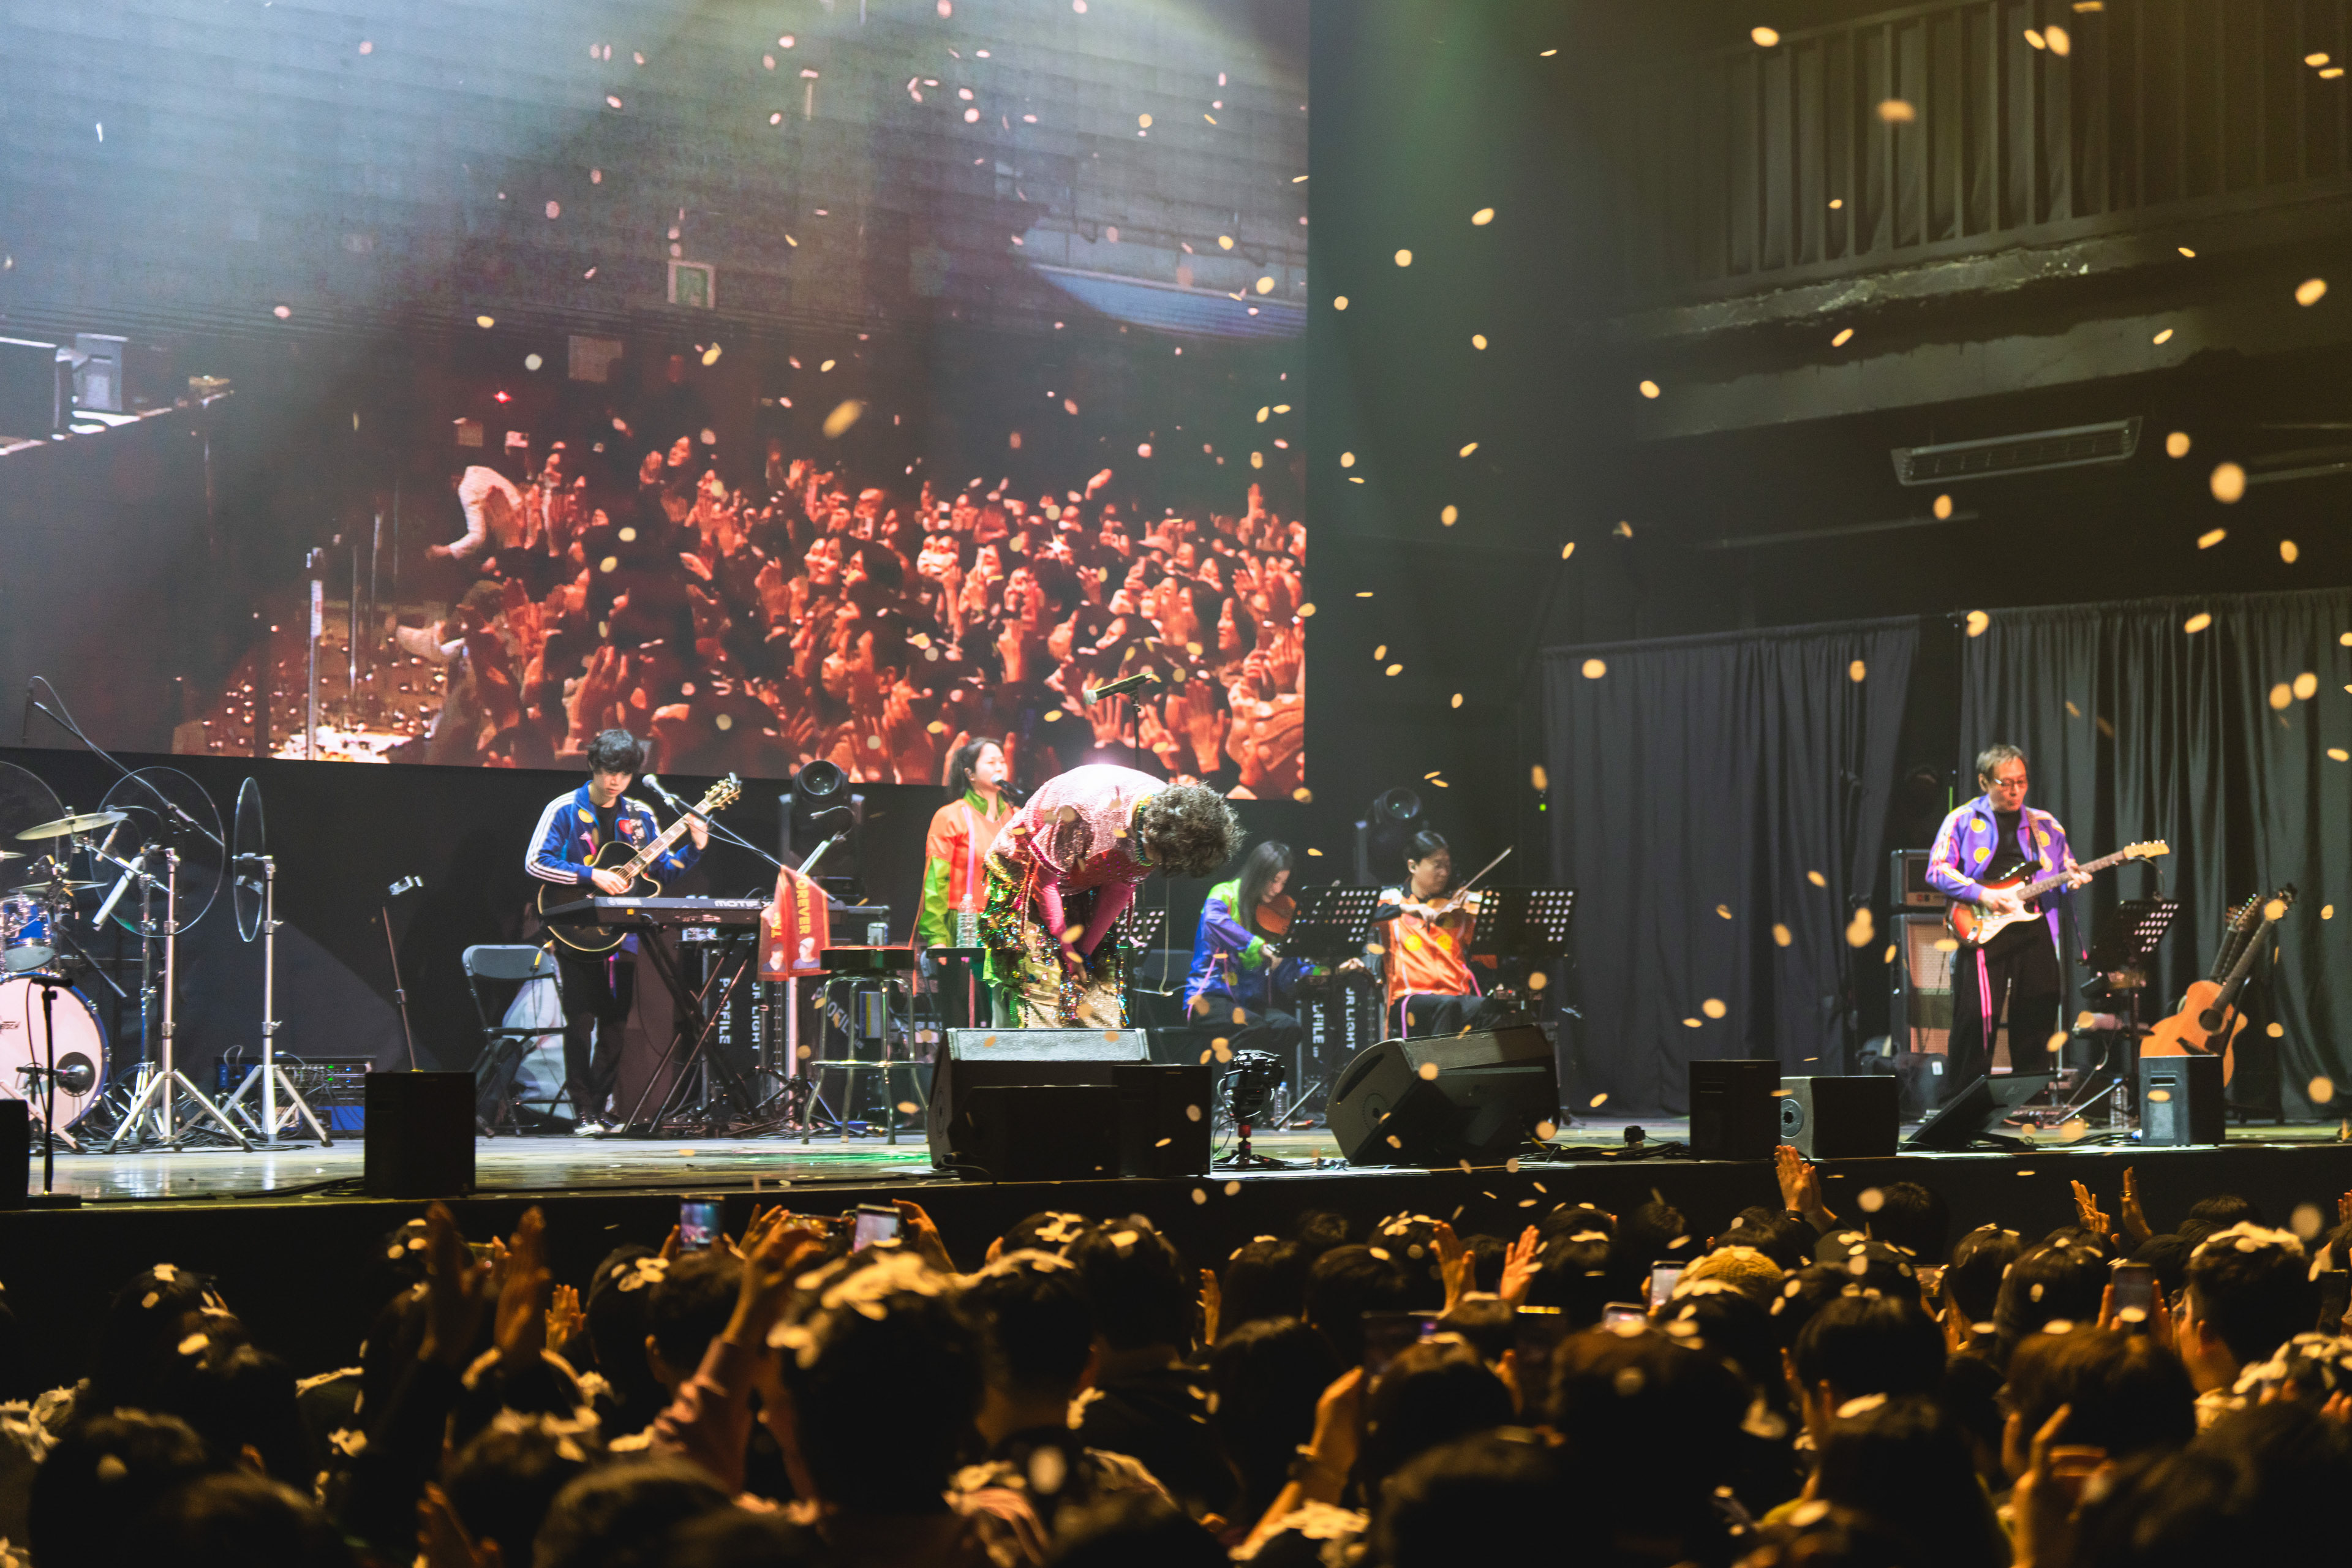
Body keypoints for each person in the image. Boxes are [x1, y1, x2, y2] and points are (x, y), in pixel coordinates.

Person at [526, 728, 707, 1133]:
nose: (615, 781)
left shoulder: (640, 816)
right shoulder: (564, 809)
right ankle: (582, 1109)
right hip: (574, 929)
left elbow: (661, 872)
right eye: (609, 771)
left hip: (623, 932)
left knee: (616, 1023)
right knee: (580, 1021)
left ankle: (599, 1107)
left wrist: (695, 846)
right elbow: (536, 862)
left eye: (624, 774)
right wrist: (592, 875)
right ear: (593, 765)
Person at [980, 763, 1243, 1027]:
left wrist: (1083, 954)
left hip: (1086, 881)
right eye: (1160, 857)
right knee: (1042, 993)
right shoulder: (1085, 810)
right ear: (1150, 833)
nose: (1159, 864)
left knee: (1100, 1003)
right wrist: (1068, 953)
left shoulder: (1169, 824)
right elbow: (1044, 882)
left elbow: (1120, 888)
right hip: (1026, 877)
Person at [1926, 744, 2091, 1090]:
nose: (2015, 790)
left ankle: (2030, 1098)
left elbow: (2064, 869)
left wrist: (2072, 880)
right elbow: (1937, 870)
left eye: (2021, 782)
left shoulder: (2045, 824)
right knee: (1977, 1017)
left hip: (2034, 924)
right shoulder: (1961, 819)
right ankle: (1967, 1098)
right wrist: (1983, 894)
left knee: (2039, 1010)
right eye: (2005, 783)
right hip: (1983, 923)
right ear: (1984, 782)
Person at [1375, 831, 1509, 1038]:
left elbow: (1490, 960)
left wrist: (1493, 922)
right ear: (1413, 866)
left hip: (1456, 995)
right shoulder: (1392, 900)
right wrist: (1405, 909)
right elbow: (1358, 913)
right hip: (1411, 998)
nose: (1445, 873)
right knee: (1447, 1005)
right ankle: (1441, 1061)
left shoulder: (1459, 909)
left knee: (1494, 1008)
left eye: (1447, 865)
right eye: (1437, 865)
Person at [1185, 840, 1306, 1061]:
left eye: (1283, 882)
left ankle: (1266, 1081)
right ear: (1258, 874)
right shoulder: (1223, 894)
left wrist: (1315, 971)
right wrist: (1257, 946)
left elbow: (1286, 974)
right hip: (1208, 998)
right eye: (1274, 880)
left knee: (1288, 1027)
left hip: (1246, 1004)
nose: (1278, 889)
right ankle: (1232, 1082)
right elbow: (1214, 921)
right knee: (1254, 1026)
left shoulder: (1267, 912)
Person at [914, 737, 1016, 951]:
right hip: (964, 926)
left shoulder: (1015, 818)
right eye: (991, 762)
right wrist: (937, 937)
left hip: (1006, 928)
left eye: (1002, 761)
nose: (999, 767)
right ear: (970, 774)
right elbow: (936, 881)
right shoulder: (951, 816)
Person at [430, 463, 527, 562]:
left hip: (514, 539)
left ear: (453, 480)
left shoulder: (466, 487)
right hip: (523, 526)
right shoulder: (481, 471)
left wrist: (446, 551)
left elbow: (478, 537)